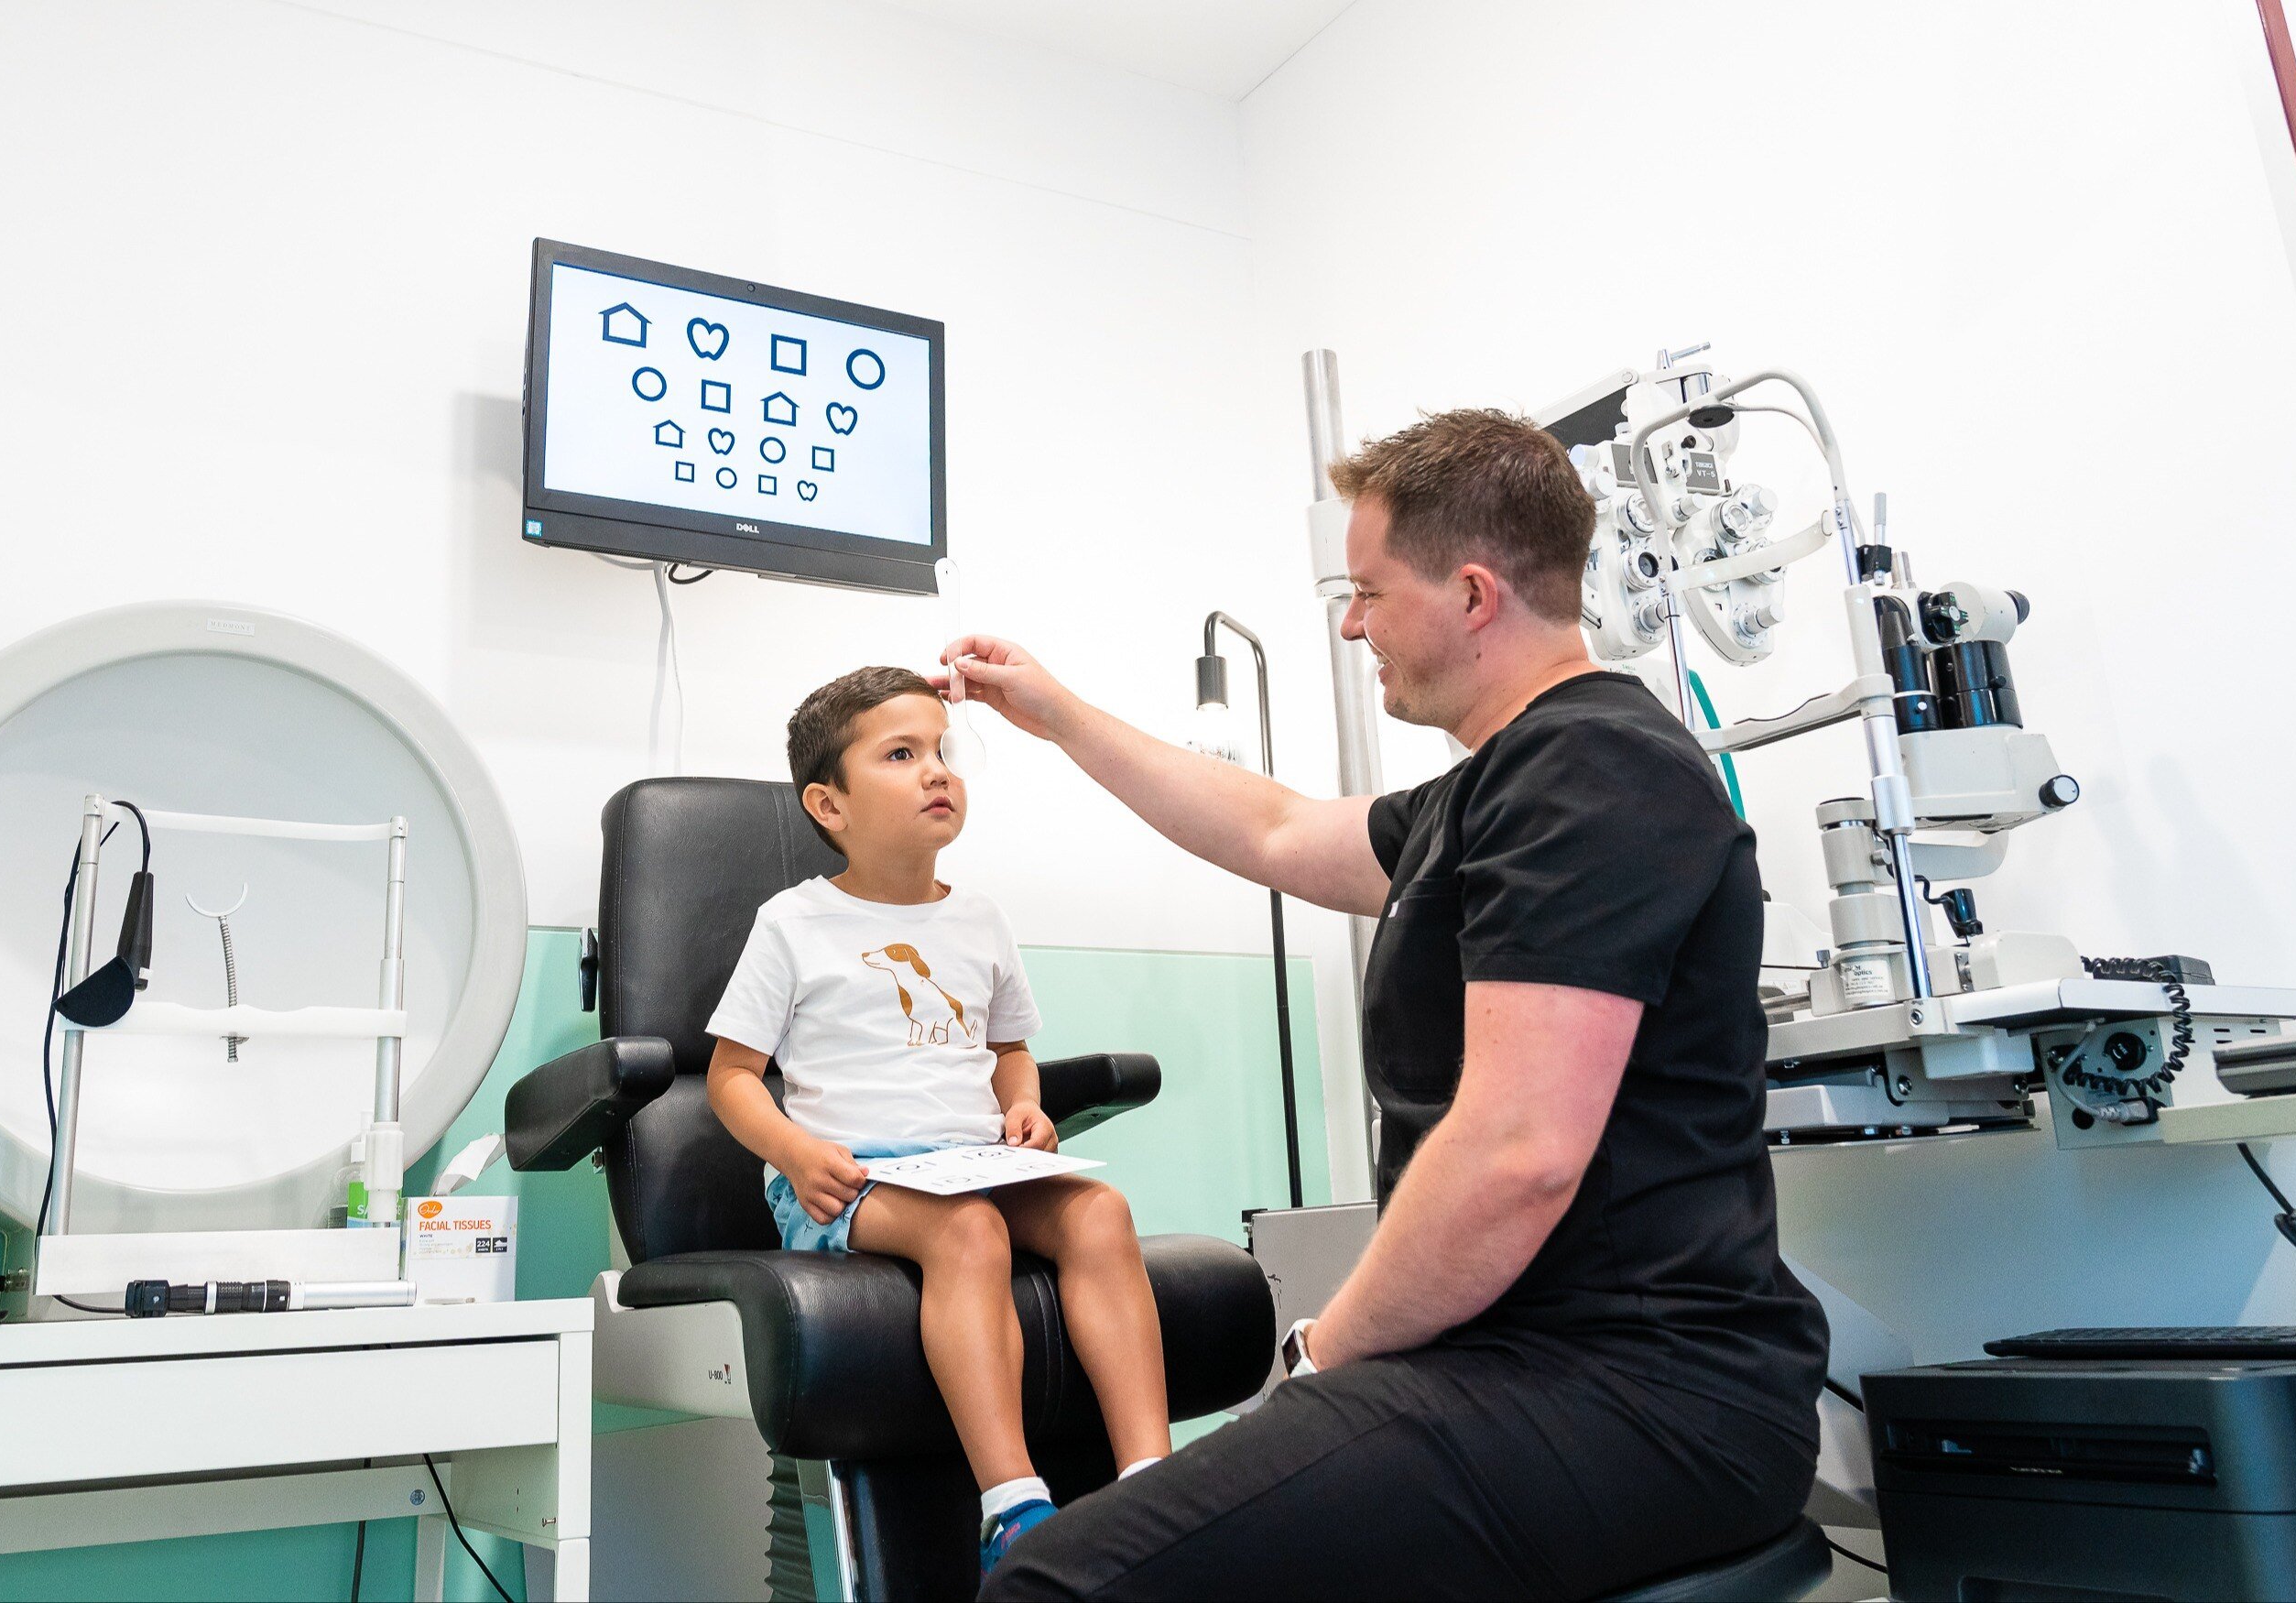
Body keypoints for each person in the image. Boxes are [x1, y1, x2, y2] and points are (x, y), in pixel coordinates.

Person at [962, 410, 1830, 1599]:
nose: (1352, 621)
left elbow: (1517, 1154)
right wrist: (1060, 715)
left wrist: (1322, 1352)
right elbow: (1270, 825)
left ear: (1473, 593)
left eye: (1368, 589)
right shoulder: (1497, 787)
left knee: (1060, 1583)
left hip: (1643, 1391)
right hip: (1518, 1374)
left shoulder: (1595, 771)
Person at [704, 666, 1175, 1577]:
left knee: (1100, 1214)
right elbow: (731, 1079)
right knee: (969, 1236)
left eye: (943, 753)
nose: (937, 772)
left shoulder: (980, 919)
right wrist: (795, 1151)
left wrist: (1025, 1105)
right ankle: (1013, 1506)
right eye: (902, 753)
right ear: (828, 804)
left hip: (971, 1160)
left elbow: (1008, 1051)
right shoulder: (794, 922)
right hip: (855, 1177)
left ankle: (1150, 1483)